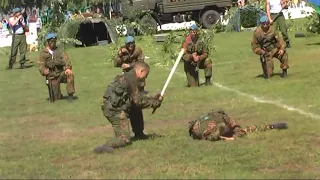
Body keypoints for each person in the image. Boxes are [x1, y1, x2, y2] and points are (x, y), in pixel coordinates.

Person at [94, 61, 163, 154]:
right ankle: (106, 146)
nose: (145, 78)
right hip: (114, 110)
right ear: (141, 71)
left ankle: (139, 134)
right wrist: (153, 102)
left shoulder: (130, 76)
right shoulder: (131, 79)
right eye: (146, 75)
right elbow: (138, 101)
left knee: (135, 109)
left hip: (118, 106)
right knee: (125, 139)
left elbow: (136, 99)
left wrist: (152, 99)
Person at [114, 36, 148, 139]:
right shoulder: (122, 51)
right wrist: (119, 55)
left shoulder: (138, 50)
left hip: (137, 81)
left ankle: (139, 132)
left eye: (132, 43)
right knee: (127, 107)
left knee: (137, 106)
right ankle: (125, 133)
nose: (131, 45)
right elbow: (116, 63)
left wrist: (129, 66)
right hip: (127, 83)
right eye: (129, 44)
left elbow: (141, 64)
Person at [188, 109, 288, 141]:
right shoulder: (223, 119)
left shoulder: (209, 116)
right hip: (206, 132)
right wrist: (230, 138)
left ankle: (271, 126)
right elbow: (236, 128)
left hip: (195, 131)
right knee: (242, 131)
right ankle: (270, 126)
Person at [37, 33, 77, 102]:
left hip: (61, 73)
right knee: (56, 98)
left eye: (54, 41)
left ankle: (70, 95)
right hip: (52, 76)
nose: (53, 43)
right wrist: (44, 71)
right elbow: (40, 65)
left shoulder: (60, 51)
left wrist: (67, 68)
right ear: (48, 42)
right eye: (51, 41)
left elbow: (66, 60)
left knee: (70, 74)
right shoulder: (43, 53)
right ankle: (58, 94)